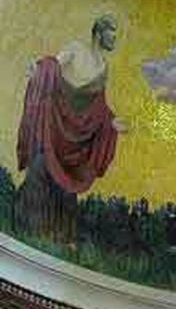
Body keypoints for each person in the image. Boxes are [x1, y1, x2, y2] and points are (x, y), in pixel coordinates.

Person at [15, 15, 128, 243]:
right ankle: (28, 231)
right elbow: (53, 67)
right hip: (54, 127)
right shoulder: (76, 50)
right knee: (40, 174)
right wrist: (38, 69)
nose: (115, 38)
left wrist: (111, 122)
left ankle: (59, 239)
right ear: (99, 33)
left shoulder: (103, 67)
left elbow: (98, 107)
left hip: (76, 140)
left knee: (66, 188)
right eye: (112, 32)